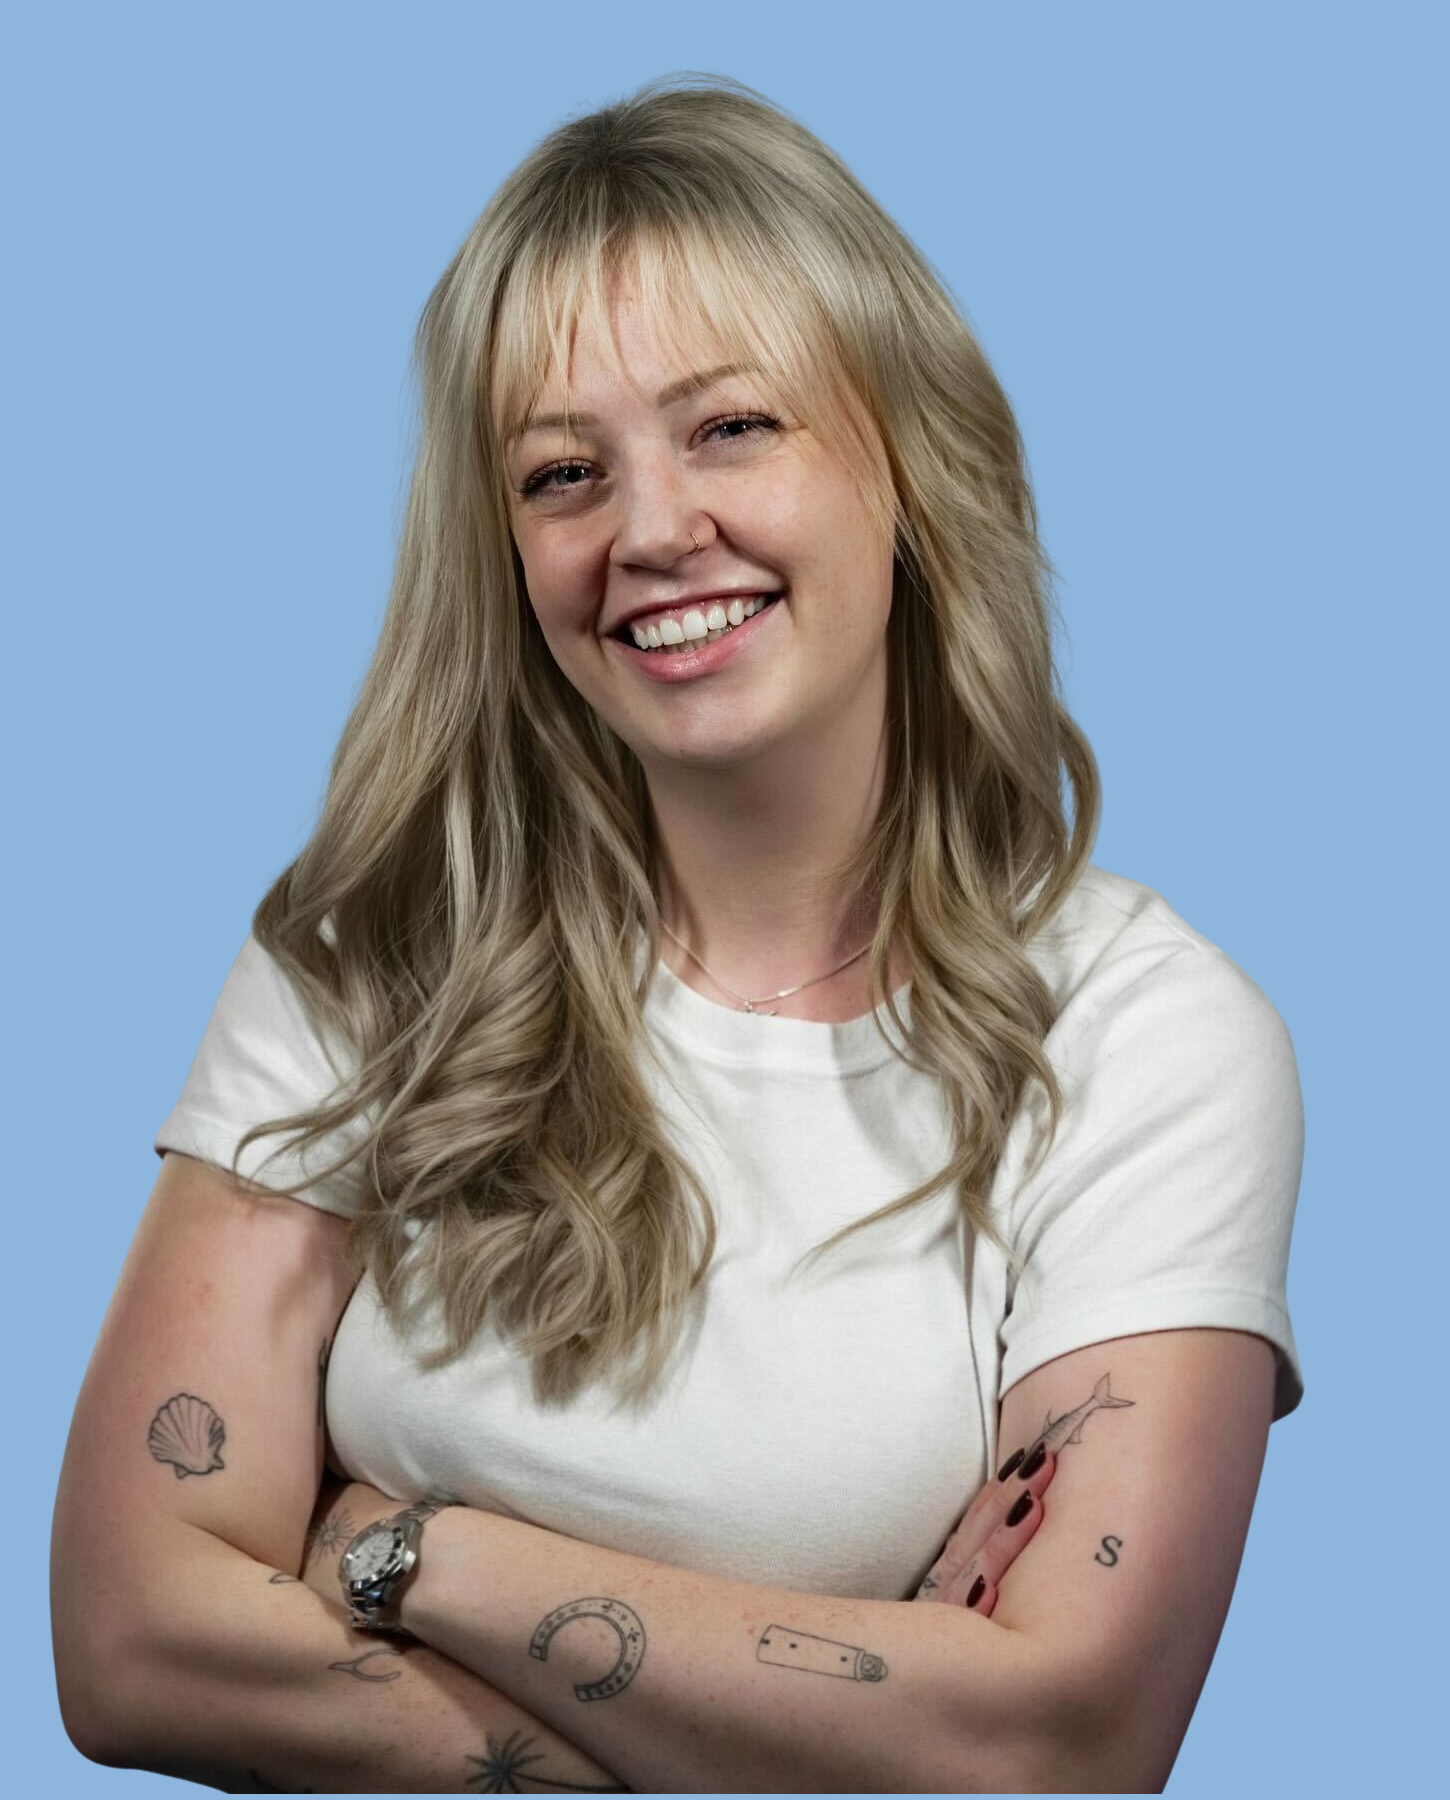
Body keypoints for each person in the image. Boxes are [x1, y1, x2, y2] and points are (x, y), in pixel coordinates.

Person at [51, 71, 1305, 1795]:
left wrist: (404, 1552)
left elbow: (1057, 1744)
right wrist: (822, 1726)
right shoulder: (368, 965)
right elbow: (128, 1641)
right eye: (562, 472)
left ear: (906, 458)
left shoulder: (1140, 1038)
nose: (648, 532)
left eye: (730, 429)